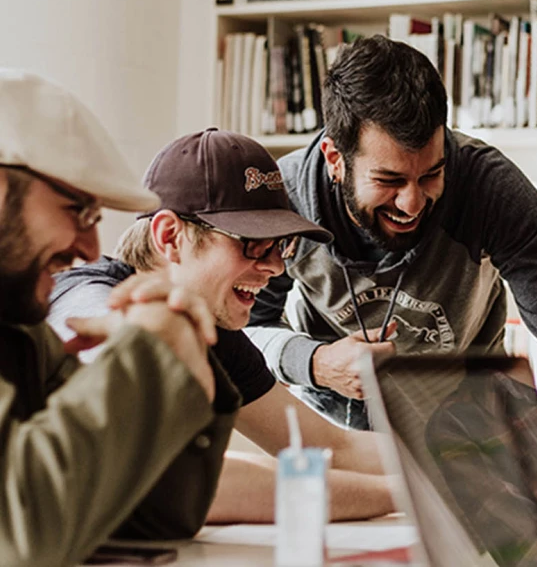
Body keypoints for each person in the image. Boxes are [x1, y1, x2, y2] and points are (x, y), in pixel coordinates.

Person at [247, 34, 537, 469]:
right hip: (336, 443)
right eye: (389, 181)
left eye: (431, 174)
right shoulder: (285, 201)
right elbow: (244, 331)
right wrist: (314, 362)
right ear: (335, 159)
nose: (412, 203)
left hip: (469, 435)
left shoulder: (490, 188)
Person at [48, 128, 396, 522]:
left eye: (280, 246)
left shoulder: (213, 331)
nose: (276, 267)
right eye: (252, 242)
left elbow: (329, 448)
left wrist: (456, 465)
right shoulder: (87, 302)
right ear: (169, 237)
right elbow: (178, 479)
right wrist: (407, 496)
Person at [0, 70, 239, 567]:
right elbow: (20, 538)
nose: (90, 248)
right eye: (78, 211)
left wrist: (181, 345)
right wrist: (154, 351)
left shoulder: (22, 338)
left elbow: (151, 518)